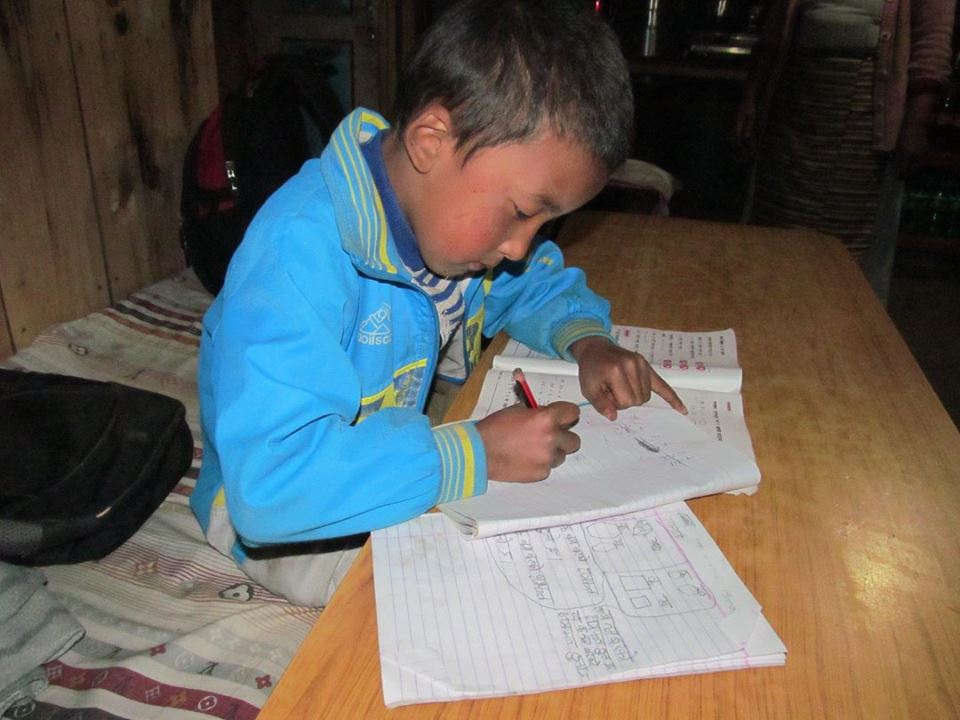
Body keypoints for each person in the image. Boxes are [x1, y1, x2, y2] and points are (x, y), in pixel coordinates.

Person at [190, 0, 686, 607]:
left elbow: (532, 282)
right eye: (526, 212)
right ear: (431, 142)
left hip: (397, 455)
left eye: (549, 222)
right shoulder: (296, 257)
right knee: (474, 593)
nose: (520, 246)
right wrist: (471, 453)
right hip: (283, 518)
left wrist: (588, 341)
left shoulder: (453, 225)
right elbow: (269, 487)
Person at [733, 0, 956, 301]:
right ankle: (764, 326)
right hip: (795, 98)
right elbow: (774, 30)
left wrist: (915, 125)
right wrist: (752, 96)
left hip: (864, 106)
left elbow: (932, 44)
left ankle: (832, 339)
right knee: (776, 232)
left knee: (843, 250)